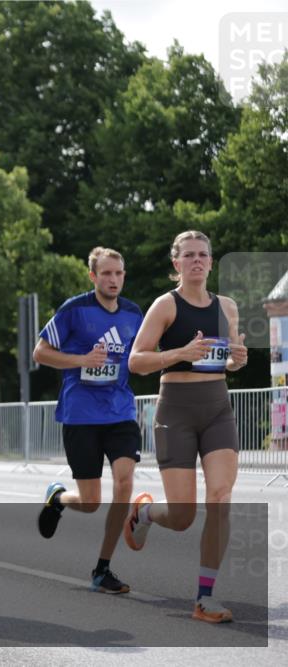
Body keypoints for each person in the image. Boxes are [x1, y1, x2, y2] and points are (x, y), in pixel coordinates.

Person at [126, 230, 248, 623]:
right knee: (182, 516)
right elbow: (136, 361)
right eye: (189, 255)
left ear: (211, 262)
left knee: (221, 496)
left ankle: (205, 597)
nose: (197, 261)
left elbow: (227, 360)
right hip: (175, 410)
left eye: (203, 255)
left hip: (217, 409)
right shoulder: (166, 305)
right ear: (176, 263)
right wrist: (180, 353)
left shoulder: (227, 307)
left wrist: (236, 361)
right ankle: (143, 514)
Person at [33, 247, 143, 595]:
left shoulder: (133, 313)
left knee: (124, 483)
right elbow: (40, 352)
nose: (113, 280)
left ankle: (103, 568)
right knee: (92, 500)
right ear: (93, 276)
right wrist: (81, 359)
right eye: (106, 273)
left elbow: (144, 353)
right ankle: (58, 498)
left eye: (119, 273)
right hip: (81, 413)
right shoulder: (74, 309)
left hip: (120, 410)